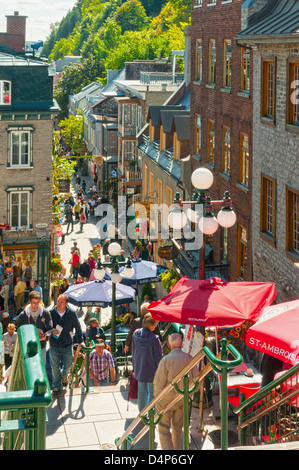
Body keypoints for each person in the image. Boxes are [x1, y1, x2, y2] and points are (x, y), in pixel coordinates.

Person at [153, 333, 197, 450]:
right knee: (178, 428)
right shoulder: (189, 358)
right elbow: (198, 379)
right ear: (182, 343)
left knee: (163, 429)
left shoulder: (165, 360)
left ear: (168, 344)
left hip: (166, 399)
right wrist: (191, 392)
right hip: (182, 398)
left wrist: (157, 398)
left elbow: (158, 383)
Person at [49, 294, 84, 395]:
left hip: (67, 344)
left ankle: (64, 375)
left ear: (66, 303)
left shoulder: (71, 313)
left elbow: (78, 327)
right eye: (58, 301)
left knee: (68, 364)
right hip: (54, 344)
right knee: (54, 366)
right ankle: (56, 386)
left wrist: (81, 340)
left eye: (61, 302)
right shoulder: (51, 312)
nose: (58, 304)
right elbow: (47, 326)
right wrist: (51, 331)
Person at [132, 313, 163, 412]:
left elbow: (133, 351)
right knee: (152, 392)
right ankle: (151, 413)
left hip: (139, 367)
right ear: (152, 325)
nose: (156, 326)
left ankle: (142, 413)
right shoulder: (154, 339)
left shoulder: (135, 334)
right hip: (152, 369)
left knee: (141, 392)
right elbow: (158, 357)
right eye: (156, 324)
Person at [17, 291, 53, 363]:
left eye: (38, 302)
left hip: (42, 346)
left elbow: (50, 328)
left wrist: (45, 337)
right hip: (28, 348)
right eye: (34, 303)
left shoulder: (45, 313)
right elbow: (20, 333)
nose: (36, 305)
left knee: (42, 367)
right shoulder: (23, 315)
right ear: (29, 301)